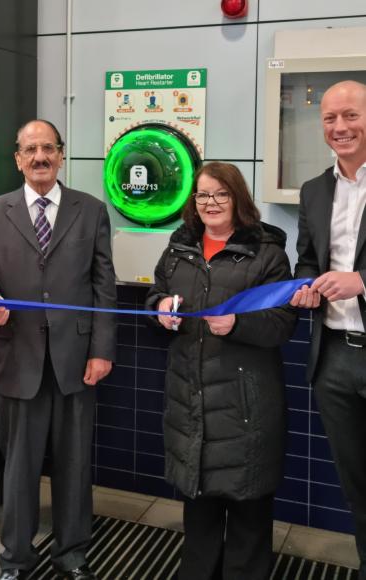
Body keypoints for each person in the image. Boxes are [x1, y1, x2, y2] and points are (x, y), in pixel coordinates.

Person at [0, 119, 116, 580]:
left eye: (47, 148)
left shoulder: (90, 210)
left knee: (75, 467)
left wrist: (102, 350)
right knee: (19, 469)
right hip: (17, 358)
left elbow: (103, 285)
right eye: (30, 150)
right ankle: (15, 560)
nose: (39, 157)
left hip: (76, 360)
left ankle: (72, 555)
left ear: (61, 154)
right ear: (17, 158)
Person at [145, 162, 297, 580]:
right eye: (202, 195)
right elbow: (157, 292)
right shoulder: (179, 248)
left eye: (220, 194)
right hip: (189, 400)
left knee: (248, 510)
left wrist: (238, 325)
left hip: (245, 406)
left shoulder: (267, 252)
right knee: (199, 508)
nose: (210, 203)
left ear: (238, 198)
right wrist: (159, 310)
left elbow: (284, 323)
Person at [291, 80, 366, 580]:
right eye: (329, 119)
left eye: (351, 115)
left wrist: (361, 280)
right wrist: (304, 288)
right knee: (356, 484)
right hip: (334, 356)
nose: (339, 127)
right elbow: (307, 261)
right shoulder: (314, 190)